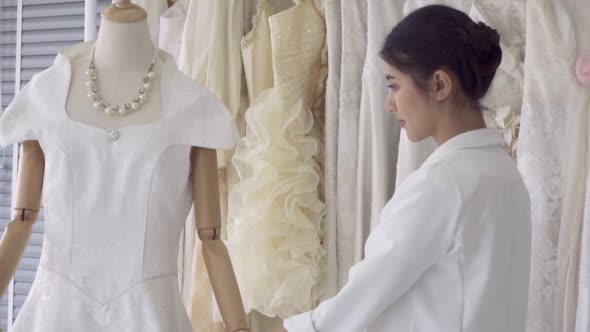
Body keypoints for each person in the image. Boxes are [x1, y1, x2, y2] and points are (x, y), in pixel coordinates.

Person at [280, 5, 531, 332]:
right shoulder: (506, 174)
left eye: (394, 85)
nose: (389, 103)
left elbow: (365, 295)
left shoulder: (442, 184)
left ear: (440, 84)